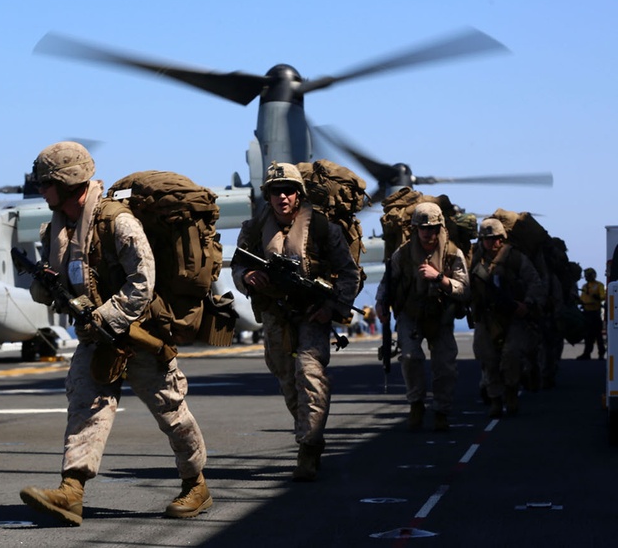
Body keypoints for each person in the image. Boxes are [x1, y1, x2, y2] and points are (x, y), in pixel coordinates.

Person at [19, 141, 211, 526]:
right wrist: (44, 285)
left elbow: (143, 281)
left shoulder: (117, 222)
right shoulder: (57, 230)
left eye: (45, 183)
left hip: (139, 333)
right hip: (96, 338)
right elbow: (60, 285)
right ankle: (71, 490)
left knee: (172, 412)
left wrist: (106, 317)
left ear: (68, 181)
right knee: (85, 406)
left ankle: (196, 484)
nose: (40, 190)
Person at [231, 162, 360, 482]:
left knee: (309, 373)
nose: (282, 197)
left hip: (313, 313)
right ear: (268, 196)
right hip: (275, 315)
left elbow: (349, 273)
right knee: (288, 381)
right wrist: (248, 276)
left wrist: (331, 307)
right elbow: (237, 266)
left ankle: (309, 446)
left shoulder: (322, 228)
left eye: (288, 191)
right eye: (276, 191)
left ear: (298, 194)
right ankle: (307, 431)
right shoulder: (254, 229)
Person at [375, 203, 470, 432]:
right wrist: (380, 303)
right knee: (409, 357)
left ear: (440, 227)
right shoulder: (404, 253)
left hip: (441, 315)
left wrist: (439, 278)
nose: (427, 232)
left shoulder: (452, 253)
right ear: (415, 229)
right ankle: (416, 403)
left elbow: (464, 288)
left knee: (445, 366)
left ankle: (441, 410)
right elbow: (388, 280)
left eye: (432, 228)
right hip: (411, 314)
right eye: (423, 228)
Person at [470, 218, 545, 417]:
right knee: (487, 358)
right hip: (486, 317)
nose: (491, 242)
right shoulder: (475, 258)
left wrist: (527, 304)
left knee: (511, 355)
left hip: (513, 316)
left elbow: (535, 282)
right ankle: (495, 399)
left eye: (495, 238)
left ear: (502, 238)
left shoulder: (515, 258)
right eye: (486, 239)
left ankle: (511, 392)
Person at [577, 267, 607, 360]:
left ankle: (601, 353)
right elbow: (582, 298)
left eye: (589, 275)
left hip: (595, 313)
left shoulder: (599, 285)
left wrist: (597, 297)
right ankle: (587, 353)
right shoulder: (585, 286)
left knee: (598, 335)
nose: (587, 277)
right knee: (587, 335)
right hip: (586, 313)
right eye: (586, 275)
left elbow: (603, 296)